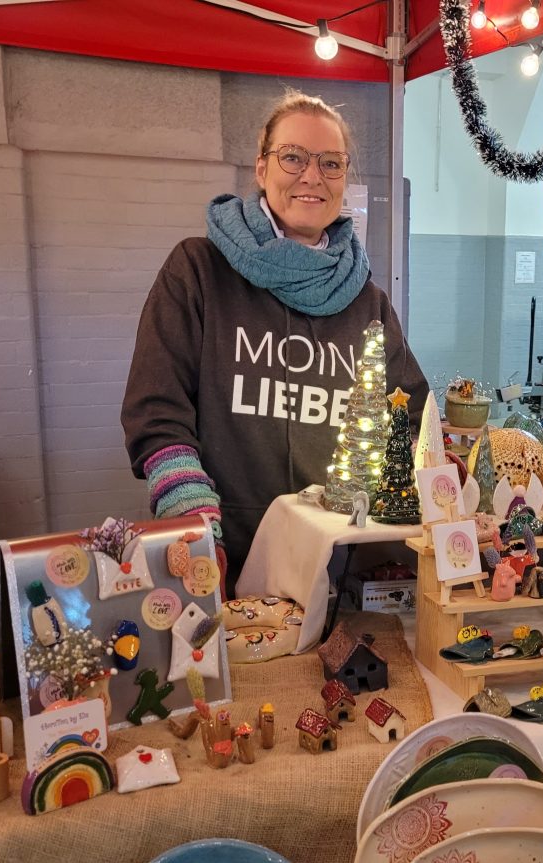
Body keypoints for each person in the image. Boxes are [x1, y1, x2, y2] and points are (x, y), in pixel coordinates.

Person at [122, 90, 429, 593]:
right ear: (262, 169)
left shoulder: (368, 303)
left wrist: (434, 478)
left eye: (331, 163)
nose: (312, 176)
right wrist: (196, 529)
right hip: (222, 561)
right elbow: (156, 412)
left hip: (342, 573)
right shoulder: (198, 272)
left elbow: (413, 417)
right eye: (293, 157)